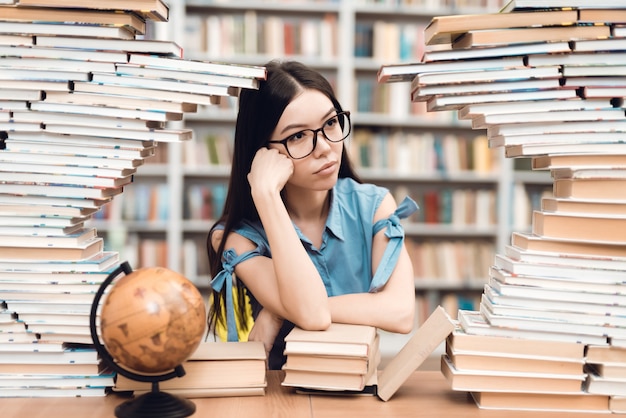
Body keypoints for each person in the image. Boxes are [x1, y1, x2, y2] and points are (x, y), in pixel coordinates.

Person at [207, 60, 418, 370]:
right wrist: (266, 196)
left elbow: (401, 313)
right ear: (262, 151)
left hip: (358, 384)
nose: (324, 149)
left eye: (330, 123)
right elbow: (312, 314)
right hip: (281, 393)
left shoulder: (373, 205)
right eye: (297, 137)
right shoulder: (235, 237)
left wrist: (278, 310)